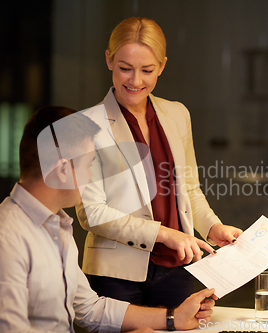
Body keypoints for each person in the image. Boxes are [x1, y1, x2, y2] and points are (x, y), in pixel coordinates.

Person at [0, 106, 216, 333]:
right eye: (89, 164)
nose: (92, 176)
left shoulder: (56, 227)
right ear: (62, 169)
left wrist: (174, 317)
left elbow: (91, 309)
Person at [77, 17, 243, 308]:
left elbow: (189, 190)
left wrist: (213, 227)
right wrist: (164, 234)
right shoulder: (86, 125)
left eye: (147, 70)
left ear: (162, 66)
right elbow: (91, 213)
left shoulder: (177, 114)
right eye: (125, 68)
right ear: (109, 60)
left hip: (177, 266)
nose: (135, 80)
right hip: (115, 273)